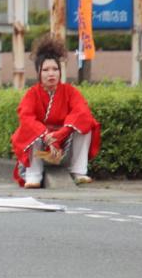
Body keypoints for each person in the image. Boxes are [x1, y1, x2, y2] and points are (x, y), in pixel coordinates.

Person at [11, 34, 102, 189]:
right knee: (28, 130)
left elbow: (82, 112)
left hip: (64, 145)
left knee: (87, 124)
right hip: (41, 145)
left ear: (60, 72)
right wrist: (45, 135)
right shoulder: (32, 94)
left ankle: (79, 171)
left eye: (55, 69)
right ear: (39, 73)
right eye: (46, 70)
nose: (51, 73)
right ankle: (34, 174)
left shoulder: (70, 91)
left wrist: (61, 133)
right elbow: (26, 117)